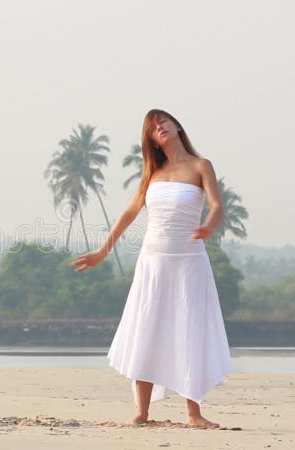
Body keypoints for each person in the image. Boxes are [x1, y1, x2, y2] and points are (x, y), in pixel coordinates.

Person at [70, 109, 231, 429]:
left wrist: (208, 227)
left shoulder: (201, 166)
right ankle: (141, 412)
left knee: (189, 328)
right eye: (153, 127)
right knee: (147, 327)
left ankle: (194, 413)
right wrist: (103, 250)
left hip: (189, 261)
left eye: (163, 121)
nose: (159, 127)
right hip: (153, 260)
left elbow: (216, 206)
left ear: (177, 126)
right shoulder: (152, 172)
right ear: (151, 141)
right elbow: (130, 213)